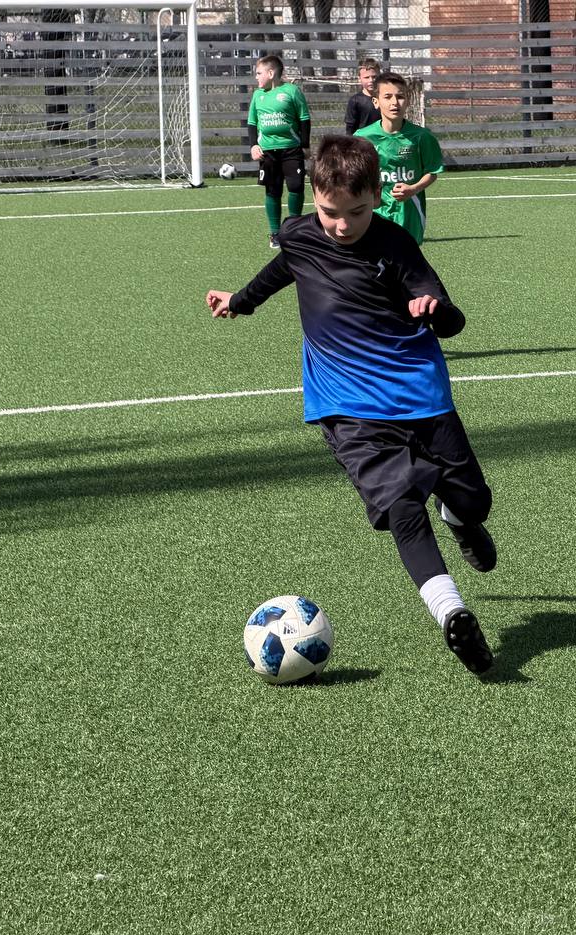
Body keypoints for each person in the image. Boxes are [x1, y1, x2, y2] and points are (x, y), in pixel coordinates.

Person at [205, 135, 497, 675]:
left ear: (376, 198)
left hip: (419, 394)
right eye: (330, 212)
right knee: (400, 504)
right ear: (315, 197)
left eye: (356, 212)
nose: (342, 225)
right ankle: (451, 613)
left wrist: (433, 310)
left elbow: (452, 320)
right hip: (345, 405)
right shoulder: (298, 234)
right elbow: (284, 268)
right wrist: (239, 302)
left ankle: (459, 516)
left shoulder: (395, 245)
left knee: (474, 501)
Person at [354, 72, 444, 246]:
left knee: (406, 258)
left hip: (409, 213)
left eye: (400, 96)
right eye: (387, 97)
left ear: (407, 101)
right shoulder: (362, 138)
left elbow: (432, 171)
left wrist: (413, 188)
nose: (395, 102)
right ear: (376, 102)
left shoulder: (421, 136)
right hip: (374, 211)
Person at [247, 54, 310, 250]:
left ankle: (294, 228)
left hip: (291, 149)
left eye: (259, 73)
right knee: (273, 190)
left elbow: (304, 118)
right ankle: (275, 233)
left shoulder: (292, 91)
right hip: (268, 152)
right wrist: (253, 145)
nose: (256, 77)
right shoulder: (258, 95)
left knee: (296, 187)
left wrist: (305, 145)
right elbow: (252, 122)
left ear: (271, 73)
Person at [344, 58, 382, 135]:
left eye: (374, 76)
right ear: (359, 79)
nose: (371, 80)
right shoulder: (355, 100)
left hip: (382, 139)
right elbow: (350, 127)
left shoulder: (385, 98)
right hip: (362, 140)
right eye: (366, 77)